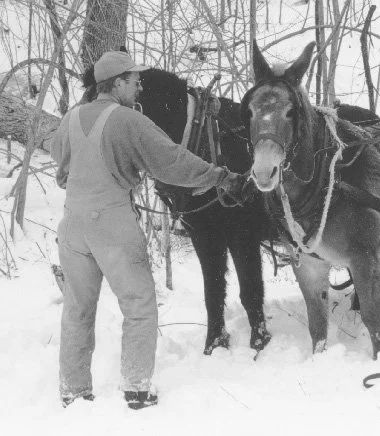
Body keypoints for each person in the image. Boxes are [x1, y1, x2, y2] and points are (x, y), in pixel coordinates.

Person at [51, 51, 245, 410]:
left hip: (72, 225)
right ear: (118, 83)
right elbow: (172, 163)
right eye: (134, 80)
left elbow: (58, 159)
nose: (140, 86)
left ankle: (73, 390)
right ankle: (137, 388)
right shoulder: (128, 120)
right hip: (111, 223)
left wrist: (73, 173)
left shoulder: (71, 117)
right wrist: (220, 175)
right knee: (139, 305)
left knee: (77, 308)